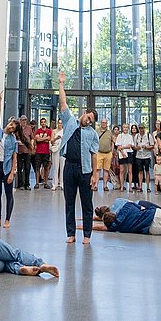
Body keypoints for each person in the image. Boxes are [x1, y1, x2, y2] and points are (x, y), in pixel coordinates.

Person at [54, 70, 99, 245]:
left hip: (85, 170)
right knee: (69, 202)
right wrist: (61, 84)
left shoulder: (92, 133)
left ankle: (87, 235)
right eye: (88, 117)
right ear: (84, 113)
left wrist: (95, 175)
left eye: (91, 121)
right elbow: (63, 102)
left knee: (87, 203)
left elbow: (94, 154)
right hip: (69, 167)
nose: (88, 121)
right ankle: (71, 233)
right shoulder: (70, 121)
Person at [94, 197, 161, 236]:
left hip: (151, 229)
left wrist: (86, 227)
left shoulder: (116, 227)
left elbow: (102, 228)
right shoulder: (127, 207)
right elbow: (141, 208)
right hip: (153, 215)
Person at [0, 118, 19, 228]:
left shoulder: (13, 140)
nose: (10, 126)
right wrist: (0, 101)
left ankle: (7, 219)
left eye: (13, 127)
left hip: (7, 166)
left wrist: (12, 173)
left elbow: (15, 158)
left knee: (9, 194)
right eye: (11, 124)